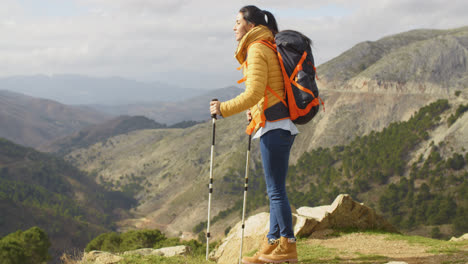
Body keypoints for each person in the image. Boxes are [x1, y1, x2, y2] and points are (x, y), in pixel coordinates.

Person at [209, 5, 298, 264]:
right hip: (276, 124)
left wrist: (222, 109)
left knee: (276, 191)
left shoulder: (258, 48)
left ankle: (288, 247)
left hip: (275, 126)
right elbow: (269, 89)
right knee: (274, 189)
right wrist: (255, 110)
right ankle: (273, 243)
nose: (234, 27)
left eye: (237, 22)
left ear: (250, 25)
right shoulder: (265, 45)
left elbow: (254, 92)